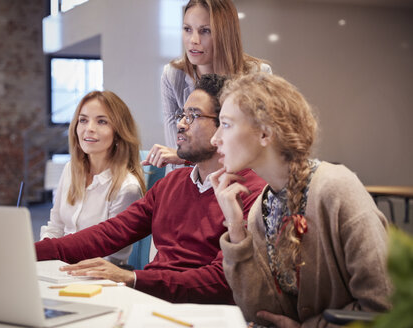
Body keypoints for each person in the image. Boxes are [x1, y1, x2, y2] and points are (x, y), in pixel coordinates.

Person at [35, 74, 266, 303]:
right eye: (182, 115)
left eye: (193, 116)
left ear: (225, 125)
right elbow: (108, 233)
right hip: (150, 300)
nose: (181, 123)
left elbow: (222, 280)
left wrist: (134, 279)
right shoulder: (171, 184)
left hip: (198, 313)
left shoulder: (253, 195)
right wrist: (27, 252)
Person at [210, 73, 392, 327]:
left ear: (265, 133)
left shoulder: (337, 188)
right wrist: (235, 227)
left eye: (226, 124)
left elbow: (385, 309)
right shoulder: (260, 210)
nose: (214, 138)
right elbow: (260, 312)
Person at [143, 0, 271, 171]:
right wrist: (183, 157)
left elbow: (258, 148)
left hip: (241, 178)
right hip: (187, 177)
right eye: (187, 29)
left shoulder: (257, 76)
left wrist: (186, 158)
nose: (193, 40)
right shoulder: (173, 75)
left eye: (205, 31)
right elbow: (178, 150)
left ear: (225, 34)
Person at [40, 91, 146, 266]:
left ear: (118, 132)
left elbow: (110, 257)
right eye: (83, 120)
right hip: (60, 267)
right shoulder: (70, 169)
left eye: (101, 121)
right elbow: (55, 228)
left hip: (97, 278)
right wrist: (42, 257)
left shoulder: (127, 188)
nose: (89, 128)